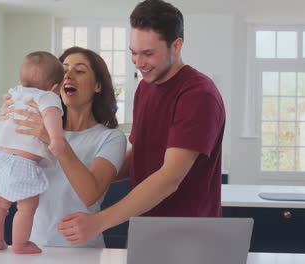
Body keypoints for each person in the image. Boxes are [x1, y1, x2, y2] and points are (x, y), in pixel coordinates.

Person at [57, 0, 226, 245]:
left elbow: (169, 177)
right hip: (147, 228)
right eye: (133, 52)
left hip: (188, 234)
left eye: (148, 53)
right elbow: (140, 156)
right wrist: (95, 177)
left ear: (176, 46)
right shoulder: (145, 87)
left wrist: (100, 221)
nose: (137, 62)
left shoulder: (198, 94)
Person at [0, 47, 127, 248]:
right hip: (33, 248)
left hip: (83, 253)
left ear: (98, 85)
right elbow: (10, 174)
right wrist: (8, 121)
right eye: (64, 69)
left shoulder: (111, 138)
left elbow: (90, 194)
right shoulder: (36, 123)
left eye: (80, 70)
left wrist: (54, 138)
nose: (68, 75)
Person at [0, 51, 65, 254]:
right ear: (55, 88)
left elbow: (6, 120)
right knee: (26, 207)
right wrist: (56, 139)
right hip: (23, 163)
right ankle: (20, 244)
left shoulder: (14, 93)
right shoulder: (47, 97)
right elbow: (50, 115)